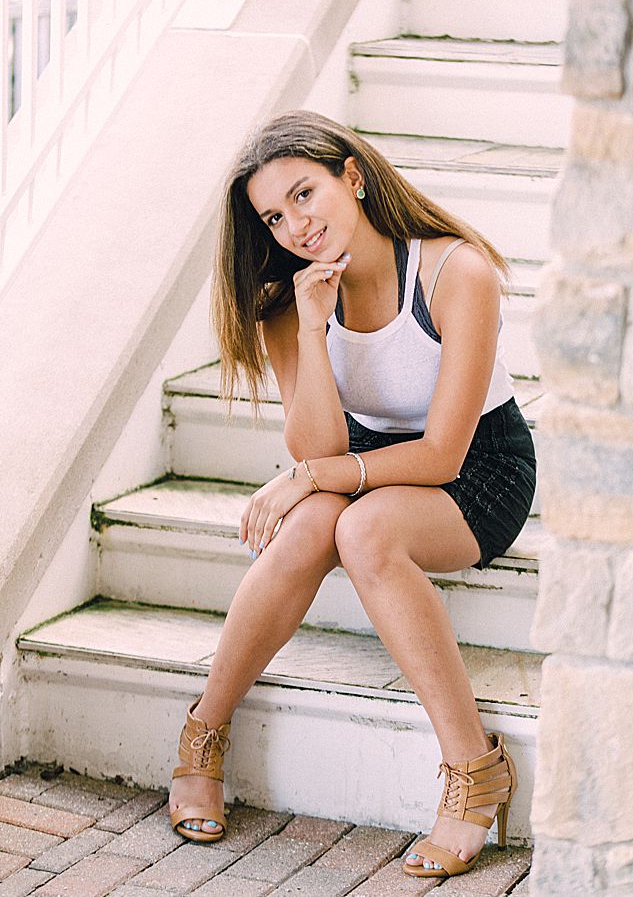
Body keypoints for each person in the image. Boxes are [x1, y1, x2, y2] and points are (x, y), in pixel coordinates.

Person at [165, 110, 535, 881]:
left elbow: (441, 453)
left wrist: (309, 478)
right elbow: (322, 451)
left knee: (364, 533)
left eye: (305, 195)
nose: (295, 225)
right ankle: (203, 734)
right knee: (309, 533)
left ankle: (474, 771)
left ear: (354, 179)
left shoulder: (451, 272)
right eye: (274, 215)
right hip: (362, 461)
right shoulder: (287, 304)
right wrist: (309, 324)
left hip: (478, 470)